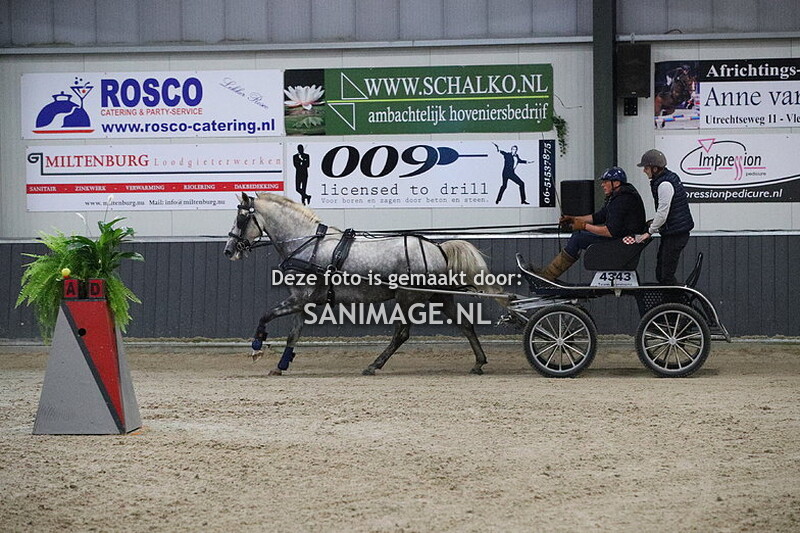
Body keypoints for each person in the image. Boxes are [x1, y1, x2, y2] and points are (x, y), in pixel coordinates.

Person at [536, 167, 646, 281]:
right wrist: (574, 219)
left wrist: (584, 226)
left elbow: (609, 232)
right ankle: (548, 274)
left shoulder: (622, 200)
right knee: (579, 235)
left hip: (620, 245)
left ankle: (548, 275)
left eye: (605, 182)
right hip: (622, 242)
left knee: (578, 238)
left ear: (616, 183)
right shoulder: (620, 197)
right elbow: (599, 216)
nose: (602, 185)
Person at [627, 149, 694, 285]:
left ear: (655, 169)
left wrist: (649, 232)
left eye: (646, 168)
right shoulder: (667, 178)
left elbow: (663, 213)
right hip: (674, 232)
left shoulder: (664, 184)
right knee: (661, 273)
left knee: (665, 275)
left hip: (676, 235)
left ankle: (676, 304)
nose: (644, 171)